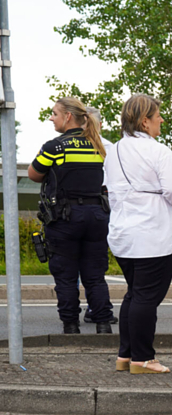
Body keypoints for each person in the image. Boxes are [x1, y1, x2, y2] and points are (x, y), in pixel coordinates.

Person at [105, 94, 172, 374]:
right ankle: (143, 359)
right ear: (145, 121)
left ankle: (126, 356)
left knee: (135, 294)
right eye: (158, 116)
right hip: (153, 233)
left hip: (123, 233)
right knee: (146, 297)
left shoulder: (114, 151)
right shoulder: (158, 151)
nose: (161, 120)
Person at [26, 97, 115, 335]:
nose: (51, 118)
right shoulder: (98, 146)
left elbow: (34, 174)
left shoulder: (54, 146)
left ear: (67, 117)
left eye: (54, 113)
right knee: (95, 276)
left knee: (65, 276)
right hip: (97, 217)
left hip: (64, 219)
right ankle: (104, 324)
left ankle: (71, 326)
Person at [83, 105, 118, 326]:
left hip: (102, 210)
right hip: (93, 211)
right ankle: (94, 306)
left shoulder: (110, 149)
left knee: (92, 263)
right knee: (92, 262)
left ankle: (92, 306)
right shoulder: (107, 148)